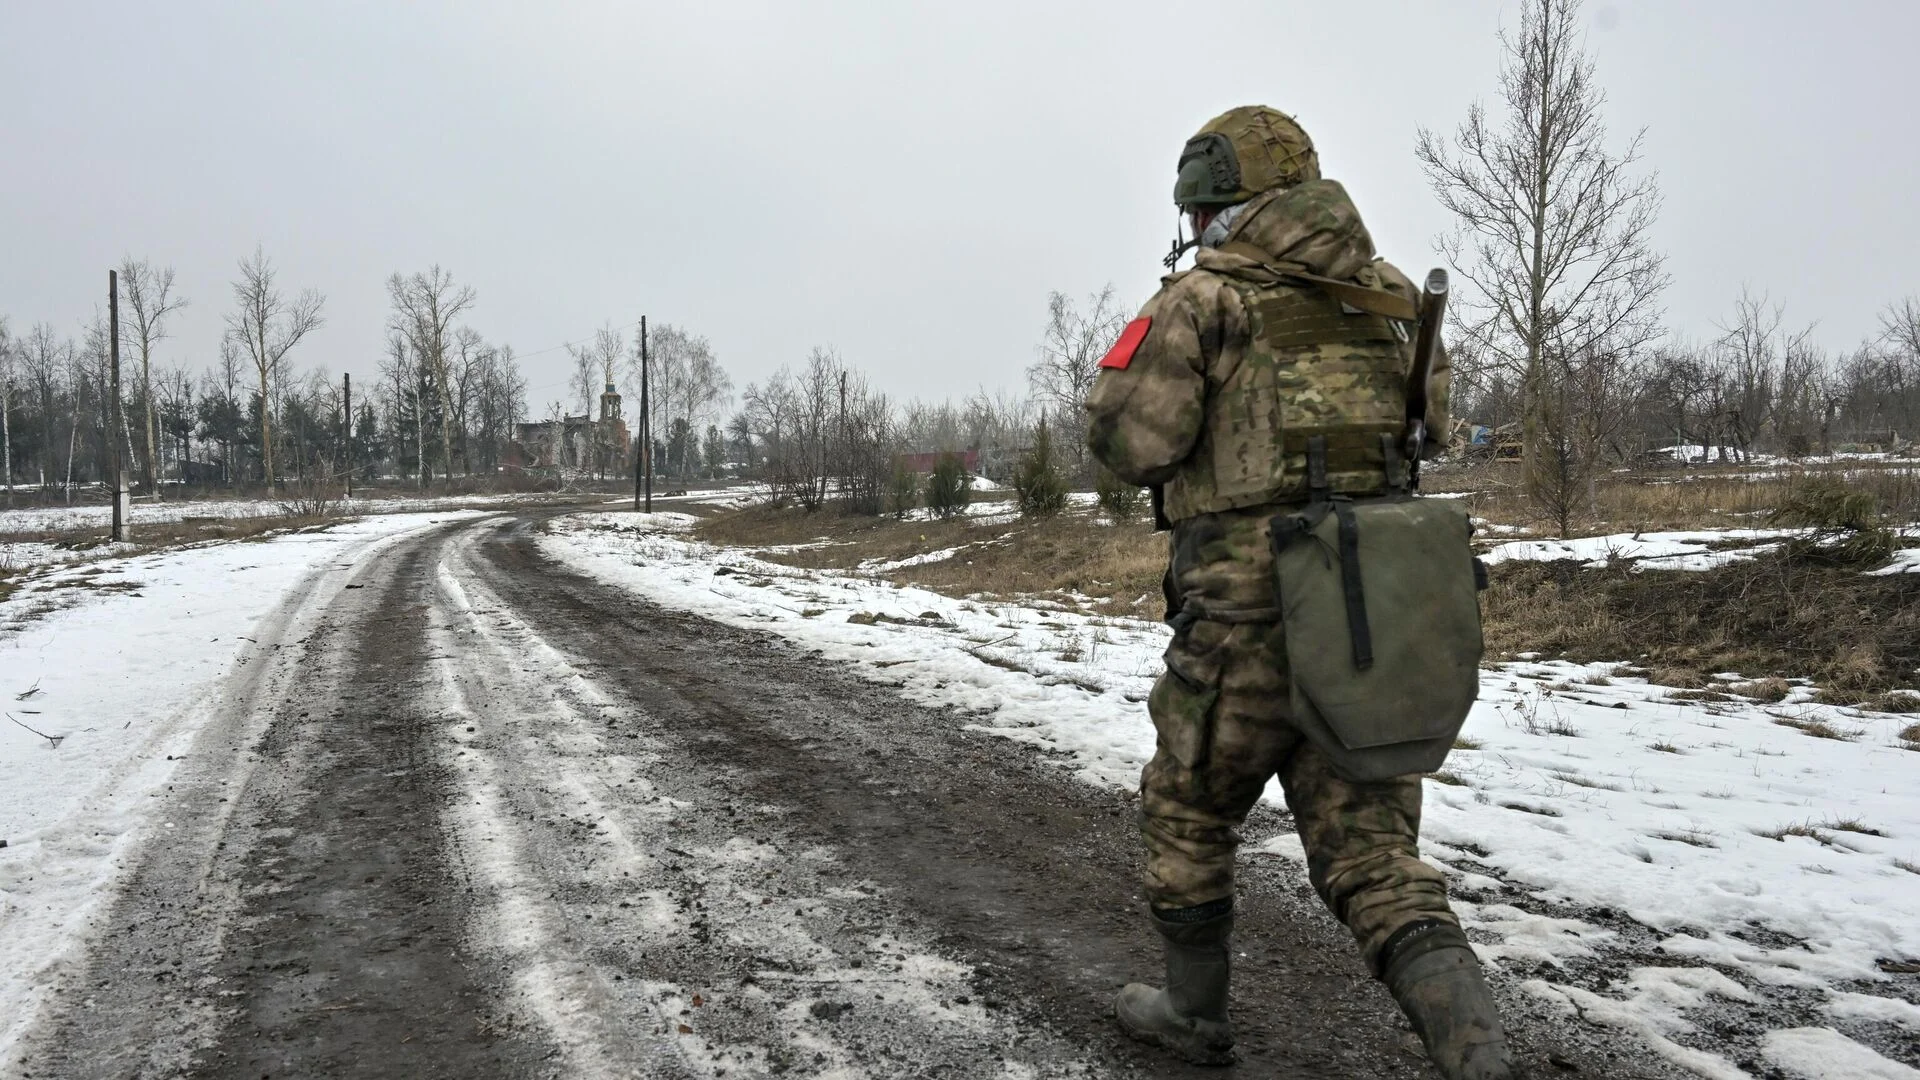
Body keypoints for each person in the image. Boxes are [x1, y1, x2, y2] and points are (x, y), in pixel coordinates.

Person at [1085, 105, 1515, 1080]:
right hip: (1366, 620)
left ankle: (1192, 1017)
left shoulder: (1203, 301)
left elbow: (1127, 442)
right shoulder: (1397, 297)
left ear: (1213, 205)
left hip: (1239, 623)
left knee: (1189, 809)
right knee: (1372, 855)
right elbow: (1430, 431)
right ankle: (1477, 1054)